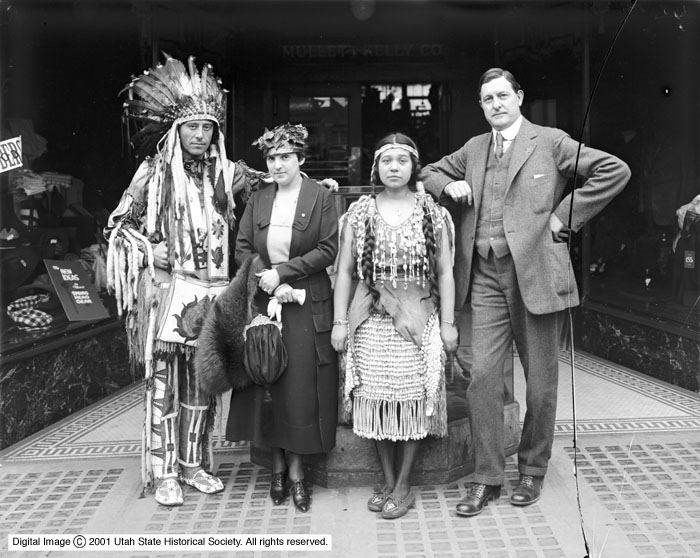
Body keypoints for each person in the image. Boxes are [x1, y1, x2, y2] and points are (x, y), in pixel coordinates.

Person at [421, 68, 630, 516]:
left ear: (519, 97)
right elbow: (430, 171)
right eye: (486, 99)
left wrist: (563, 218)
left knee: (540, 386)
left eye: (502, 96)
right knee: (482, 379)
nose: (495, 104)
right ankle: (487, 477)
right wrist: (447, 184)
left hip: (534, 273)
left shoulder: (550, 141)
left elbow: (614, 170)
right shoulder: (475, 149)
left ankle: (532, 470)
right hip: (483, 275)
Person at [104, 54, 264, 506]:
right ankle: (165, 470)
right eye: (192, 127)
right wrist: (145, 248)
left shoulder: (227, 173)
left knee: (202, 385)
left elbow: (273, 183)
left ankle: (194, 464)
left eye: (208, 127)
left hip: (213, 295)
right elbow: (118, 225)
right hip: (172, 292)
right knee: (167, 384)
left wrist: (318, 187)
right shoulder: (154, 173)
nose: (200, 135)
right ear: (176, 131)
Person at [331, 133, 458, 520]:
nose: (394, 168)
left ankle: (404, 484)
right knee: (376, 400)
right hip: (369, 319)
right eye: (387, 161)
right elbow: (345, 272)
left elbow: (446, 272)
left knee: (412, 399)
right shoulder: (360, 212)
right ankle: (387, 480)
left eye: (402, 160)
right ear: (376, 167)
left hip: (418, 317)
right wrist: (339, 322)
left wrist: (449, 324)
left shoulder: (432, 212)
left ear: (413, 166)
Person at [226, 123, 339, 513]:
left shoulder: (321, 196)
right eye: (272, 158)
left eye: (285, 157)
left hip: (307, 303)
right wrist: (268, 280)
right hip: (265, 301)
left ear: (301, 159)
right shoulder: (258, 198)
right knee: (267, 382)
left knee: (300, 389)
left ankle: (296, 472)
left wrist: (286, 274)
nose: (277, 164)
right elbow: (242, 247)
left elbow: (327, 248)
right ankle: (275, 468)